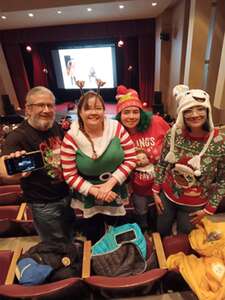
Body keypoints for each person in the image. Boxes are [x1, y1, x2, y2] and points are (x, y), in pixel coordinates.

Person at [1, 86, 75, 242]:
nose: (46, 110)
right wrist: (16, 173)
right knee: (55, 245)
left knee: (69, 235)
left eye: (50, 105)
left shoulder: (54, 126)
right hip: (44, 205)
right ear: (28, 109)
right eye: (41, 105)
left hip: (67, 196)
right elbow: (3, 170)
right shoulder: (16, 137)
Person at [60, 90, 137, 243]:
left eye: (98, 108)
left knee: (117, 232)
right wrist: (96, 191)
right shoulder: (71, 137)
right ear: (79, 112)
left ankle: (117, 259)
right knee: (93, 233)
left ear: (104, 110)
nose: (94, 112)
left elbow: (131, 158)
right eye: (88, 108)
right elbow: (69, 174)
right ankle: (96, 260)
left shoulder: (117, 128)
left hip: (114, 187)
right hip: (88, 192)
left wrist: (109, 185)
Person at [152, 84, 225, 236]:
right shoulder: (174, 134)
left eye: (200, 109)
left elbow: (223, 180)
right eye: (188, 110)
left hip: (195, 205)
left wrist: (209, 208)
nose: (194, 114)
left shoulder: (220, 141)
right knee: (161, 231)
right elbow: (162, 164)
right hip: (167, 197)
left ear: (207, 111)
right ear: (182, 114)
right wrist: (155, 191)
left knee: (185, 238)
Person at [115, 85, 170, 232]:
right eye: (126, 112)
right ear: (120, 115)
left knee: (161, 214)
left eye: (135, 112)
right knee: (141, 214)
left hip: (162, 185)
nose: (131, 116)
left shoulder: (157, 122)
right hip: (137, 188)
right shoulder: (117, 134)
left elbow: (174, 142)